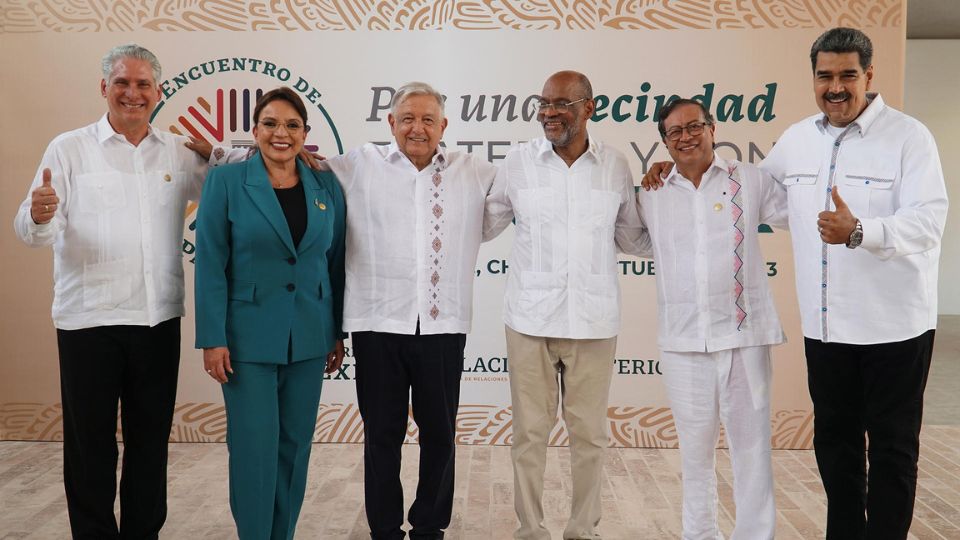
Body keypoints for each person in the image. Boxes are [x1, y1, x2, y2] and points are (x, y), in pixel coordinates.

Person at [643, 28, 949, 540]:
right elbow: (742, 187)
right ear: (813, 79)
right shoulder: (797, 140)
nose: (836, 86)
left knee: (894, 451)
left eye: (847, 74)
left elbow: (929, 221)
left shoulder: (909, 137)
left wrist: (861, 231)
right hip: (827, 330)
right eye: (825, 75)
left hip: (895, 328)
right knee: (837, 449)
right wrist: (674, 169)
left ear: (868, 76)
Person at [13, 44, 209, 539]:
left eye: (143, 84)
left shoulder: (179, 152)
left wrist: (222, 154)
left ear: (158, 92)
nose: (132, 93)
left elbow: (238, 190)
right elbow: (33, 228)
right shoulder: (68, 148)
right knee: (89, 447)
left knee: (150, 445)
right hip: (88, 324)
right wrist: (38, 214)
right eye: (122, 83)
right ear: (104, 88)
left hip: (157, 320)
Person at [483, 70, 647, 540]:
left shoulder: (615, 165)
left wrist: (672, 193)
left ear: (589, 108)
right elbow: (483, 223)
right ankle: (529, 530)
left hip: (594, 322)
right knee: (530, 436)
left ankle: (582, 531)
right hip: (529, 319)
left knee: (590, 437)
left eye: (561, 104)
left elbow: (633, 237)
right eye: (544, 103)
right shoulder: (517, 163)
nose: (550, 113)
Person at [193, 87, 346, 539]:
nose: (281, 133)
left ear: (305, 134)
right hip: (245, 341)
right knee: (254, 449)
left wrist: (336, 331)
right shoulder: (225, 183)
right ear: (255, 131)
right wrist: (212, 337)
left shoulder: (326, 184)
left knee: (295, 448)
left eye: (292, 125)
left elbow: (333, 262)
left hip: (310, 335)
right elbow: (211, 264)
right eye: (271, 124)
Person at [639, 98, 788, 539]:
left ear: (712, 127)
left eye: (694, 126)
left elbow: (796, 215)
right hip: (684, 342)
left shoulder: (752, 180)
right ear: (664, 141)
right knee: (695, 454)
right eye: (674, 132)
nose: (685, 137)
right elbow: (628, 237)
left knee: (752, 450)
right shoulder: (652, 194)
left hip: (745, 337)